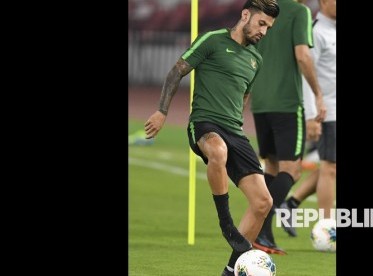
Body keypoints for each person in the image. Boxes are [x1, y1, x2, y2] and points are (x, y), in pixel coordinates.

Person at [143, 1, 280, 275]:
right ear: (245, 15)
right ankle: (226, 224)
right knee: (217, 151)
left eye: (268, 27)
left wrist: (237, 123)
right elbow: (177, 70)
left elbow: (244, 95)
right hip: (204, 123)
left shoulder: (257, 59)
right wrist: (161, 111)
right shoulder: (212, 40)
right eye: (261, 23)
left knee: (263, 202)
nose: (264, 31)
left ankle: (230, 270)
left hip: (235, 130)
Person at [249, 0, 327, 255]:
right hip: (287, 102)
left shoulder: (264, 10)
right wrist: (317, 94)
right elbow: (303, 55)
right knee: (292, 171)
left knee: (271, 166)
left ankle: (264, 236)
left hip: (261, 101)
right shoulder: (299, 12)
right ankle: (259, 225)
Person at [281, 0, 337, 237]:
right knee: (330, 167)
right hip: (328, 110)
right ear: (323, 2)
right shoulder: (315, 31)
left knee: (333, 167)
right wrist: (313, 114)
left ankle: (291, 203)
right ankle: (327, 229)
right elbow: (304, 75)